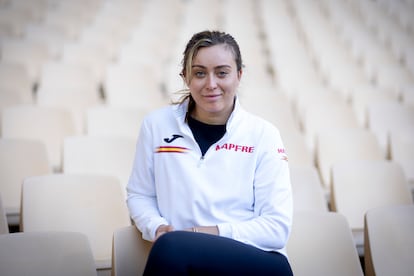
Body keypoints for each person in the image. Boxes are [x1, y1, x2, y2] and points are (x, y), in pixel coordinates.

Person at [126, 30, 293, 275]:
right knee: (171, 247)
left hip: (257, 260)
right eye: (200, 73)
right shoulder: (156, 125)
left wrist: (205, 233)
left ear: (239, 75)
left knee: (173, 247)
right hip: (181, 258)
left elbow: (276, 228)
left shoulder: (264, 134)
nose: (211, 84)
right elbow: (139, 195)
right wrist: (157, 227)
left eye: (222, 72)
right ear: (185, 77)